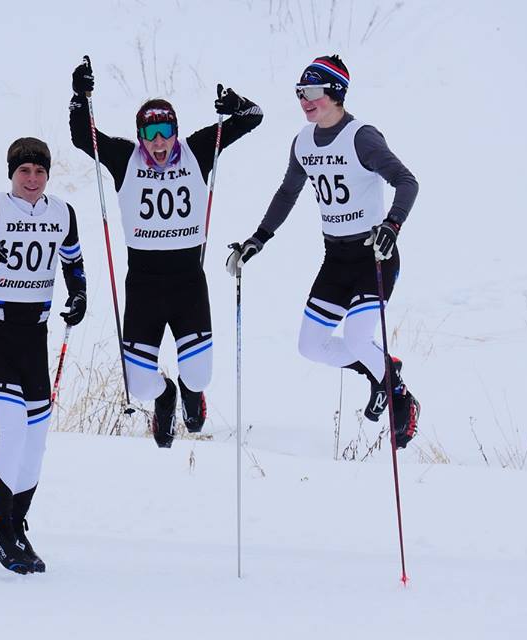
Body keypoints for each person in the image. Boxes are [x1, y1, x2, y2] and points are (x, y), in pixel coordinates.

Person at [227, 55, 420, 448]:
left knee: (358, 335)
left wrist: (392, 225)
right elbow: (287, 193)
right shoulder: (302, 141)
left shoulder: (361, 137)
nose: (304, 100)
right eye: (300, 92)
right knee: (310, 345)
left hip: (373, 256)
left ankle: (400, 395)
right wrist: (258, 239)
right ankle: (378, 372)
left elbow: (406, 181)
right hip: (335, 259)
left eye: (312, 91)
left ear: (336, 93)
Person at [69, 57, 262, 448]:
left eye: (166, 131)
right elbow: (80, 136)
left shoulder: (199, 150)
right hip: (143, 285)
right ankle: (165, 397)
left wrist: (234, 104)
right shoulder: (126, 158)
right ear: (141, 135)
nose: (159, 142)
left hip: (189, 282)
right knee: (140, 384)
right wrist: (80, 95)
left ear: (176, 131)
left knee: (200, 375)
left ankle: (192, 393)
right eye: (151, 133)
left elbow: (253, 116)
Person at [0, 137, 87, 575]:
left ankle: (17, 525)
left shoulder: (62, 212)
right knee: (13, 428)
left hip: (34, 335)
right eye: (24, 172)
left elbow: (73, 264)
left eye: (40, 172)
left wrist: (80, 297)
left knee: (36, 440)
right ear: (12, 173)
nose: (32, 179)